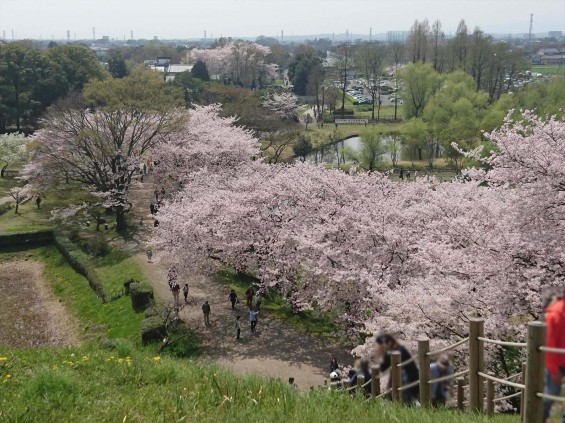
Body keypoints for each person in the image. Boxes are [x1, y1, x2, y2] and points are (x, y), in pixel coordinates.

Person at [543, 288, 565, 423]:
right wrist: (553, 369)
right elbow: (548, 344)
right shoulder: (555, 314)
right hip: (556, 362)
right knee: (551, 394)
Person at [376, 334, 419, 403]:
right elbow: (383, 367)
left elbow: (383, 367)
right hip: (402, 378)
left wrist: (383, 353)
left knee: (408, 398)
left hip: (408, 378)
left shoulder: (398, 350)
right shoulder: (394, 351)